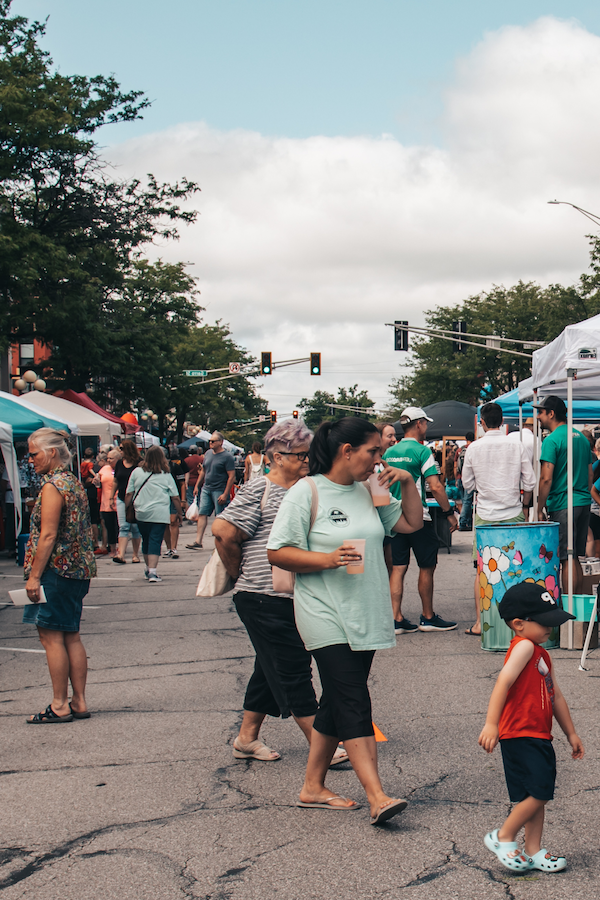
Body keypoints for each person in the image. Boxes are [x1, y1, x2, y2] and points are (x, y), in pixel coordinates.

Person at [267, 417, 423, 825]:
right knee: (352, 697)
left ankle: (312, 787)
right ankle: (376, 796)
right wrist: (327, 559)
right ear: (346, 451)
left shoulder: (370, 489)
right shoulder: (307, 491)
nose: (380, 459)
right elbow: (278, 551)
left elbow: (410, 524)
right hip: (324, 611)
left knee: (335, 701)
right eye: (374, 451)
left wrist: (406, 482)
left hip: (365, 610)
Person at [212, 420, 347, 766]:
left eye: (308, 454)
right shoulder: (260, 489)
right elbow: (223, 531)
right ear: (275, 456)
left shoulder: (306, 487)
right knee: (293, 671)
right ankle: (322, 745)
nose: (306, 460)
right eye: (300, 455)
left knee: (268, 666)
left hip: (293, 594)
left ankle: (246, 738)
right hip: (262, 595)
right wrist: (238, 573)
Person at [478, 582, 583, 872]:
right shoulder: (524, 647)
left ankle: (533, 849)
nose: (551, 628)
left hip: (537, 733)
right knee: (540, 792)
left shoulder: (540, 653)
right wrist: (491, 723)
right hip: (520, 732)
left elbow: (555, 695)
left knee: (534, 796)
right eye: (544, 622)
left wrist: (570, 733)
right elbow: (503, 681)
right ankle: (503, 837)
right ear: (518, 624)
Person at [22, 428, 97, 723]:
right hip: (77, 569)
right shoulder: (73, 482)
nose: (30, 460)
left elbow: (48, 534)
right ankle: (78, 701)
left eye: (33, 454)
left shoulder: (53, 486)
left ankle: (60, 704)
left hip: (57, 569)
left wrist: (34, 576)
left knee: (51, 636)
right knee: (71, 635)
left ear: (51, 452)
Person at [461, 402, 535, 636]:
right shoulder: (517, 446)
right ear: (503, 422)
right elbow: (530, 482)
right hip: (513, 512)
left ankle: (479, 623)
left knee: (482, 570)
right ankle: (518, 624)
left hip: (485, 514)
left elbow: (467, 484)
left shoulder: (473, 448)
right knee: (514, 569)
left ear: (482, 423)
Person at [382, 407, 458, 634]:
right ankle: (427, 617)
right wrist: (448, 513)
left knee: (398, 567)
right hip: (418, 518)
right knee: (427, 566)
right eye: (426, 423)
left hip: (393, 518)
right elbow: (435, 486)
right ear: (419, 424)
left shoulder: (389, 453)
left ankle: (395, 619)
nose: (427, 427)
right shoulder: (422, 451)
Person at [535, 395, 593, 594]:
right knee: (574, 555)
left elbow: (545, 479)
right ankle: (575, 608)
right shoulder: (582, 440)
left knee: (566, 557)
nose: (538, 417)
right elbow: (590, 474)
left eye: (540, 412)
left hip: (563, 503)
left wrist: (539, 507)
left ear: (551, 414)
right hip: (582, 501)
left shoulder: (551, 441)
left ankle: (568, 609)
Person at [125, 446, 184, 583]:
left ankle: (148, 568)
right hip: (160, 513)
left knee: (146, 539)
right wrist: (179, 512)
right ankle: (153, 572)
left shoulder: (136, 472)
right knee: (155, 540)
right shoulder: (166, 474)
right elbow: (174, 496)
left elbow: (129, 493)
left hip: (141, 512)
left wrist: (126, 507)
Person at [187, 431, 236, 550]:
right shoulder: (208, 454)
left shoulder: (227, 457)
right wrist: (197, 486)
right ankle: (198, 540)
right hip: (206, 488)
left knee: (220, 516)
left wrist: (225, 493)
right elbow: (203, 471)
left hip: (219, 489)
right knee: (202, 514)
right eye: (210, 441)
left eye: (213, 441)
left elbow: (231, 476)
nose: (210, 443)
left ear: (221, 442)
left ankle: (221, 542)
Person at [110, 440, 142, 565]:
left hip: (135, 498)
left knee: (135, 527)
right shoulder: (119, 464)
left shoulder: (139, 463)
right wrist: (111, 497)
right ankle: (121, 555)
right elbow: (115, 481)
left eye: (122, 448)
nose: (120, 451)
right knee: (123, 526)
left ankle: (135, 555)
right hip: (122, 497)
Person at [95, 447, 121, 557]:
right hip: (106, 503)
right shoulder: (104, 468)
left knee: (120, 527)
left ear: (118, 459)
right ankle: (112, 548)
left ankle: (120, 547)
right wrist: (96, 480)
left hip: (119, 501)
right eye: (108, 458)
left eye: (111, 458)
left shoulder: (122, 468)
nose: (109, 460)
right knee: (109, 527)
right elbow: (98, 481)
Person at [163, 448, 186, 559]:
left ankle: (174, 548)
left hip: (173, 497)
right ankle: (168, 548)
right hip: (162, 499)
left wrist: (182, 499)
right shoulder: (155, 470)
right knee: (165, 524)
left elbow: (182, 484)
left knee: (173, 521)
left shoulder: (174, 466)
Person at [80, 448, 100, 550]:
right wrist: (95, 476)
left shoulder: (82, 463)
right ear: (92, 456)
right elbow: (90, 470)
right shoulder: (92, 465)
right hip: (92, 493)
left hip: (85, 489)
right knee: (93, 520)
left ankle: (90, 541)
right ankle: (96, 542)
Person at [456, 432, 474, 530]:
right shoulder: (473, 448)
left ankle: (468, 522)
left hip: (460, 478)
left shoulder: (460, 450)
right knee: (467, 502)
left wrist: (456, 478)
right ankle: (463, 523)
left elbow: (456, 466)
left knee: (464, 501)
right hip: (469, 478)